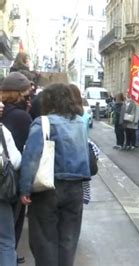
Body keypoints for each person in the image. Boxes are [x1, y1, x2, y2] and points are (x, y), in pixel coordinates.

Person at [19, 83, 91, 266]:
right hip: (75, 189)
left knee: (44, 240)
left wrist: (25, 188)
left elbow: (32, 157)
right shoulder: (80, 123)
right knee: (68, 240)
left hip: (48, 187)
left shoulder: (44, 122)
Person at [0, 72, 33, 264]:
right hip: (9, 179)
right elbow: (20, 157)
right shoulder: (21, 117)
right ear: (19, 94)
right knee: (8, 235)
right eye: (27, 93)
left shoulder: (8, 116)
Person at [0, 99, 22, 266]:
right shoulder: (2, 131)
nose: (2, 105)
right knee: (6, 241)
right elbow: (15, 160)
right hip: (1, 194)